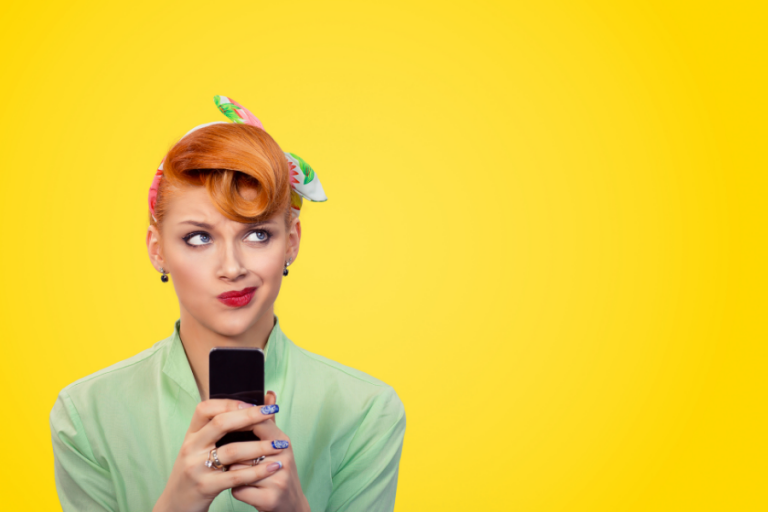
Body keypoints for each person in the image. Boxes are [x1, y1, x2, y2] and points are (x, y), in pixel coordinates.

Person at [49, 96, 407, 512]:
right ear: (157, 250)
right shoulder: (85, 415)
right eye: (198, 237)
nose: (232, 267)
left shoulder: (365, 410)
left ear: (291, 242)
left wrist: (295, 509)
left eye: (257, 235)